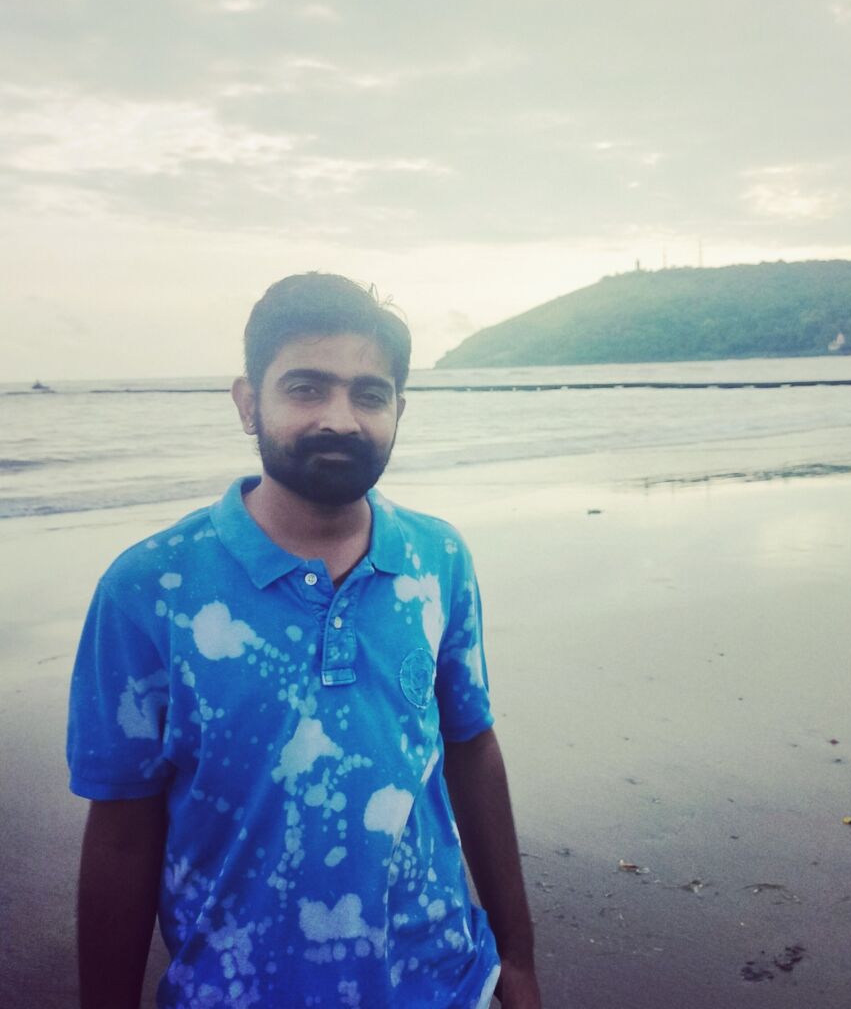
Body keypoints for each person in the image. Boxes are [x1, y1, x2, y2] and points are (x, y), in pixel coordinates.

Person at [67, 273, 541, 1009]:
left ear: (399, 411)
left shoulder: (438, 559)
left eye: (369, 395)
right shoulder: (150, 588)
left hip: (442, 981)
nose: (340, 419)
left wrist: (517, 958)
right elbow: (123, 831)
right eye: (306, 388)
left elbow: (471, 747)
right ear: (248, 403)